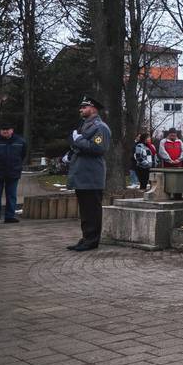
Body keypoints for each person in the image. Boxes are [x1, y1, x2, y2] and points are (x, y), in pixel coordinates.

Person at [65, 96, 110, 251]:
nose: (81, 110)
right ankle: (86, 238)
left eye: (84, 107)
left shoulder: (100, 127)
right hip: (82, 174)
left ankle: (92, 240)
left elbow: (98, 148)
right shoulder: (85, 125)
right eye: (81, 107)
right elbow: (80, 146)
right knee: (85, 210)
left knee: (92, 210)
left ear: (93, 109)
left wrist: (77, 141)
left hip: (91, 175)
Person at [0, 121, 27, 224]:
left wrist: (17, 165)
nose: (5, 131)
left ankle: (9, 216)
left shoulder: (20, 141)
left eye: (8, 129)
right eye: (3, 129)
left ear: (12, 130)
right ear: (0, 131)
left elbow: (23, 155)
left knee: (12, 195)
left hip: (13, 172)